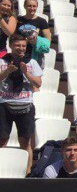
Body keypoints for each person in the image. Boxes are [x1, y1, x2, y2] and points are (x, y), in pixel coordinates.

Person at [0, 33, 42, 171]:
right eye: (18, 45)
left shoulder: (32, 62)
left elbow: (38, 83)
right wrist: (7, 71)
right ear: (11, 45)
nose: (21, 48)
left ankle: (27, 172)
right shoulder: (2, 61)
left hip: (25, 105)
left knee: (25, 142)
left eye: (23, 45)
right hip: (4, 104)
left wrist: (26, 73)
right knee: (2, 141)